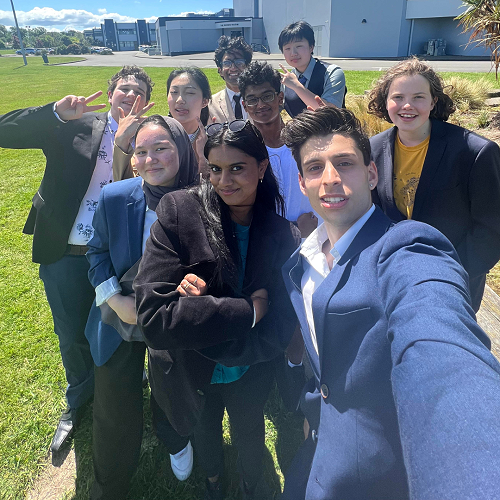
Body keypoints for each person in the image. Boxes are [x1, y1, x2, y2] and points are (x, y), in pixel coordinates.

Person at [279, 105, 500, 500]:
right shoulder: (299, 262)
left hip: (383, 477)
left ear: (371, 173)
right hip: (320, 445)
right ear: (301, 182)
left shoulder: (407, 247)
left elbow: (442, 353)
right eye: (315, 168)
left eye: (344, 163)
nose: (329, 179)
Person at [134, 120, 300, 499]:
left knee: (249, 432)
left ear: (261, 168)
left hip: (251, 370)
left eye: (237, 168)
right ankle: (212, 481)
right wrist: (249, 313)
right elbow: (155, 318)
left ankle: (249, 483)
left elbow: (279, 329)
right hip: (192, 371)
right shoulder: (179, 211)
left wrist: (203, 321)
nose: (224, 181)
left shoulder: (282, 236)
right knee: (204, 431)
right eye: (214, 169)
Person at [0, 65, 154, 452]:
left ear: (146, 100)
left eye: (138, 89)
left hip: (119, 259)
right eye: (123, 88)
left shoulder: (150, 139)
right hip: (66, 250)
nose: (130, 94)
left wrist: (127, 142)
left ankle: (122, 393)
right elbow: (5, 131)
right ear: (110, 93)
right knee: (70, 333)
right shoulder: (76, 124)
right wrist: (53, 112)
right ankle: (78, 398)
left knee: (119, 332)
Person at [85, 115, 198, 499]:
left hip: (172, 317)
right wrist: (116, 300)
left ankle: (175, 438)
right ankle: (110, 480)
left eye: (161, 148)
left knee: (172, 387)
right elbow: (96, 252)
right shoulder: (115, 197)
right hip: (119, 317)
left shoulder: (202, 199)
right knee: (114, 402)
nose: (150, 159)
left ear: (182, 149)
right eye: (141, 151)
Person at [368, 57, 500, 312]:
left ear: (433, 101)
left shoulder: (474, 152)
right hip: (392, 278)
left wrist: (451, 273)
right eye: (397, 97)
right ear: (386, 101)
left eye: (418, 97)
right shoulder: (373, 149)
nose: (407, 105)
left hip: (452, 283)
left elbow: (491, 229)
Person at [238, 60, 318, 236]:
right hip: (266, 243)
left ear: (280, 98)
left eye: (267, 96)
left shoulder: (305, 141)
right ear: (245, 106)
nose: (260, 105)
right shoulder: (242, 150)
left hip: (313, 239)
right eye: (252, 100)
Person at [278, 20, 346, 117]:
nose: (293, 53)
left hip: (332, 131)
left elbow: (330, 114)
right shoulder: (286, 81)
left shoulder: (331, 73)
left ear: (311, 47)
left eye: (299, 46)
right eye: (287, 48)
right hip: (301, 132)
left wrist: (296, 86)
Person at [167, 67, 212, 170]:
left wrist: (203, 158)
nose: (180, 100)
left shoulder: (213, 141)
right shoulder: (157, 137)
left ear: (204, 101)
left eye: (190, 93)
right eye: (174, 92)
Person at [209, 35, 253, 123]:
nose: (233, 68)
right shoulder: (210, 105)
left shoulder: (261, 99)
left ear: (248, 67)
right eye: (227, 63)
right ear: (220, 70)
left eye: (239, 62)